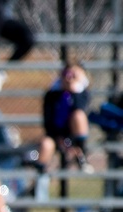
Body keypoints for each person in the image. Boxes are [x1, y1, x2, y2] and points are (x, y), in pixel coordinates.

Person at [34, 61, 92, 198]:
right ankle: (41, 182)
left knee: (78, 116)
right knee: (45, 144)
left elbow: (80, 109)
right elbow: (48, 121)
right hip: (56, 135)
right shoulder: (52, 95)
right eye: (67, 74)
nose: (69, 78)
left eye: (74, 75)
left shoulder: (81, 94)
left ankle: (81, 153)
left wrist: (74, 90)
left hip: (73, 135)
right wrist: (59, 138)